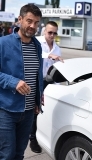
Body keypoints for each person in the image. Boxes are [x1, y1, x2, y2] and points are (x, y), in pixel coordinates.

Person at [0, 4, 43, 160]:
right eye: (29, 21)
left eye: (36, 23)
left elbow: (37, 74)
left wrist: (38, 98)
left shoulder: (37, 45)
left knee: (19, 154)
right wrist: (14, 82)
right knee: (6, 155)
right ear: (20, 19)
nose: (33, 26)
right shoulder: (3, 43)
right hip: (6, 110)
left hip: (28, 112)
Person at [29, 20, 63, 153]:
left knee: (46, 109)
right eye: (50, 32)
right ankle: (32, 139)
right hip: (36, 80)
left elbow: (57, 67)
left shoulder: (57, 47)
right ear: (44, 31)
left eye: (55, 33)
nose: (52, 35)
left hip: (50, 81)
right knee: (35, 110)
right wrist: (49, 55)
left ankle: (43, 134)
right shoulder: (36, 41)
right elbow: (35, 55)